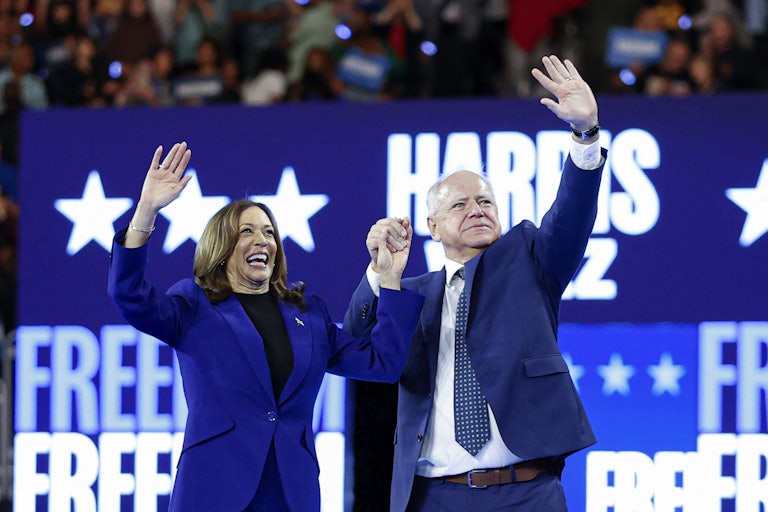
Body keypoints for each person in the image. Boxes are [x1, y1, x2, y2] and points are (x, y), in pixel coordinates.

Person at [344, 55, 606, 511]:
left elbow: (571, 218)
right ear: (432, 225)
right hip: (435, 494)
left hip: (529, 492)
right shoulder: (408, 295)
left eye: (485, 201)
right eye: (459, 205)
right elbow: (356, 339)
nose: (477, 210)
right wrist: (380, 273)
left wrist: (585, 135)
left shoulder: (530, 260)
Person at [107, 141, 424, 511]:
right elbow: (129, 294)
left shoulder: (309, 314)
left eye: (269, 232)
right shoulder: (194, 305)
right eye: (247, 232)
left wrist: (389, 278)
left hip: (292, 492)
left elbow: (384, 365)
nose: (262, 240)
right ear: (222, 248)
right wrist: (146, 211)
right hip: (213, 490)